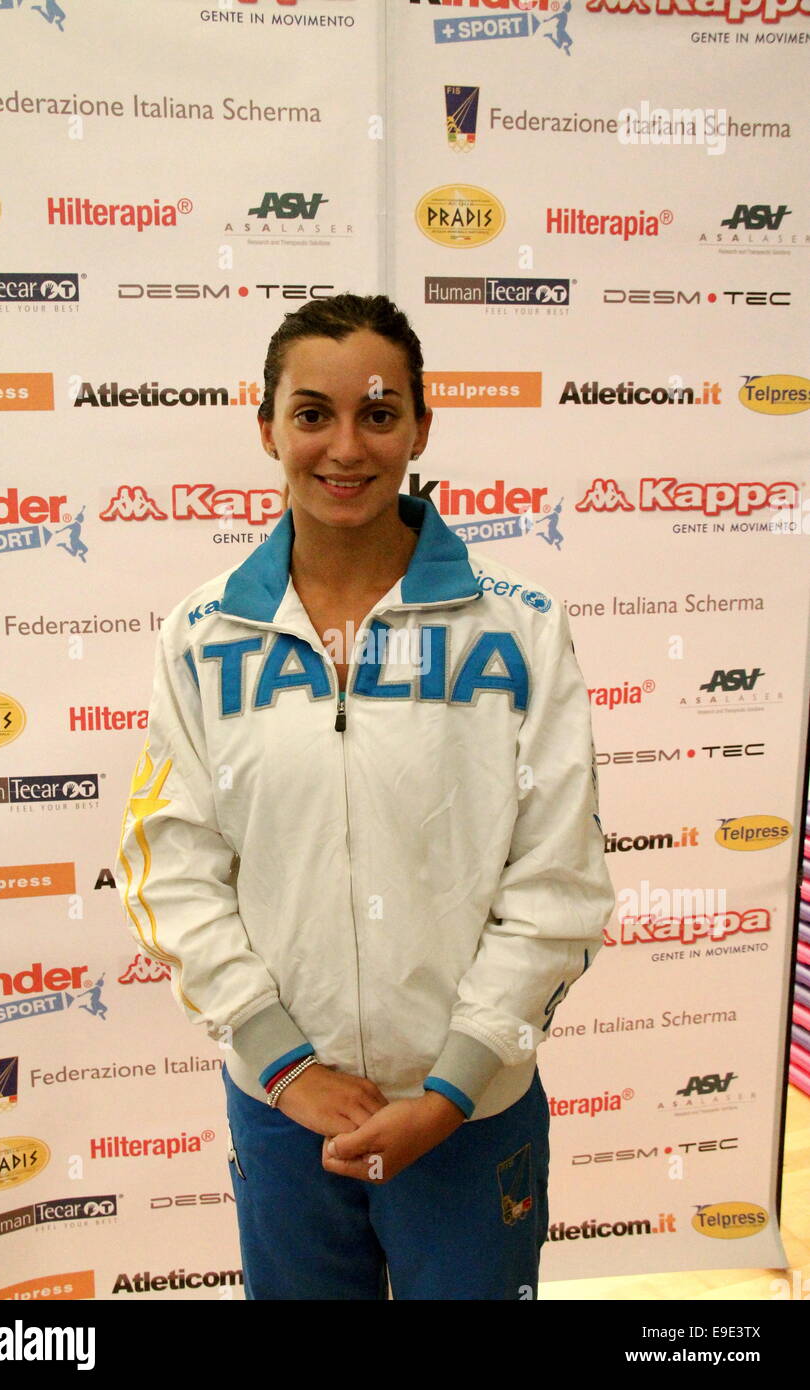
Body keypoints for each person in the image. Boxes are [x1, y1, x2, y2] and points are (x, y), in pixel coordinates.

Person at [115, 293, 615, 1301]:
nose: (345, 446)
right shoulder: (202, 637)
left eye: (378, 414)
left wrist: (450, 1085)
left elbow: (557, 880)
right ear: (266, 428)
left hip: (468, 1118)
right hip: (284, 1110)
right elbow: (172, 865)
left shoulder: (517, 629)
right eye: (312, 414)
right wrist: (284, 1065)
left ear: (419, 427)